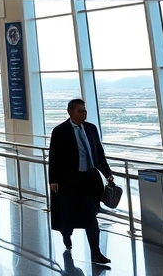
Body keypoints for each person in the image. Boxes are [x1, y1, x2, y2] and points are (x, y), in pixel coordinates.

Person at [49, 99, 115, 266]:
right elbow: (54, 157)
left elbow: (99, 152)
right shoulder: (60, 131)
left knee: (90, 217)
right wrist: (53, 181)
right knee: (68, 214)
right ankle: (66, 235)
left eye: (85, 111)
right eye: (80, 111)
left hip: (88, 180)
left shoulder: (91, 129)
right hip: (69, 181)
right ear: (71, 112)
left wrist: (107, 173)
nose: (84, 114)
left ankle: (96, 252)